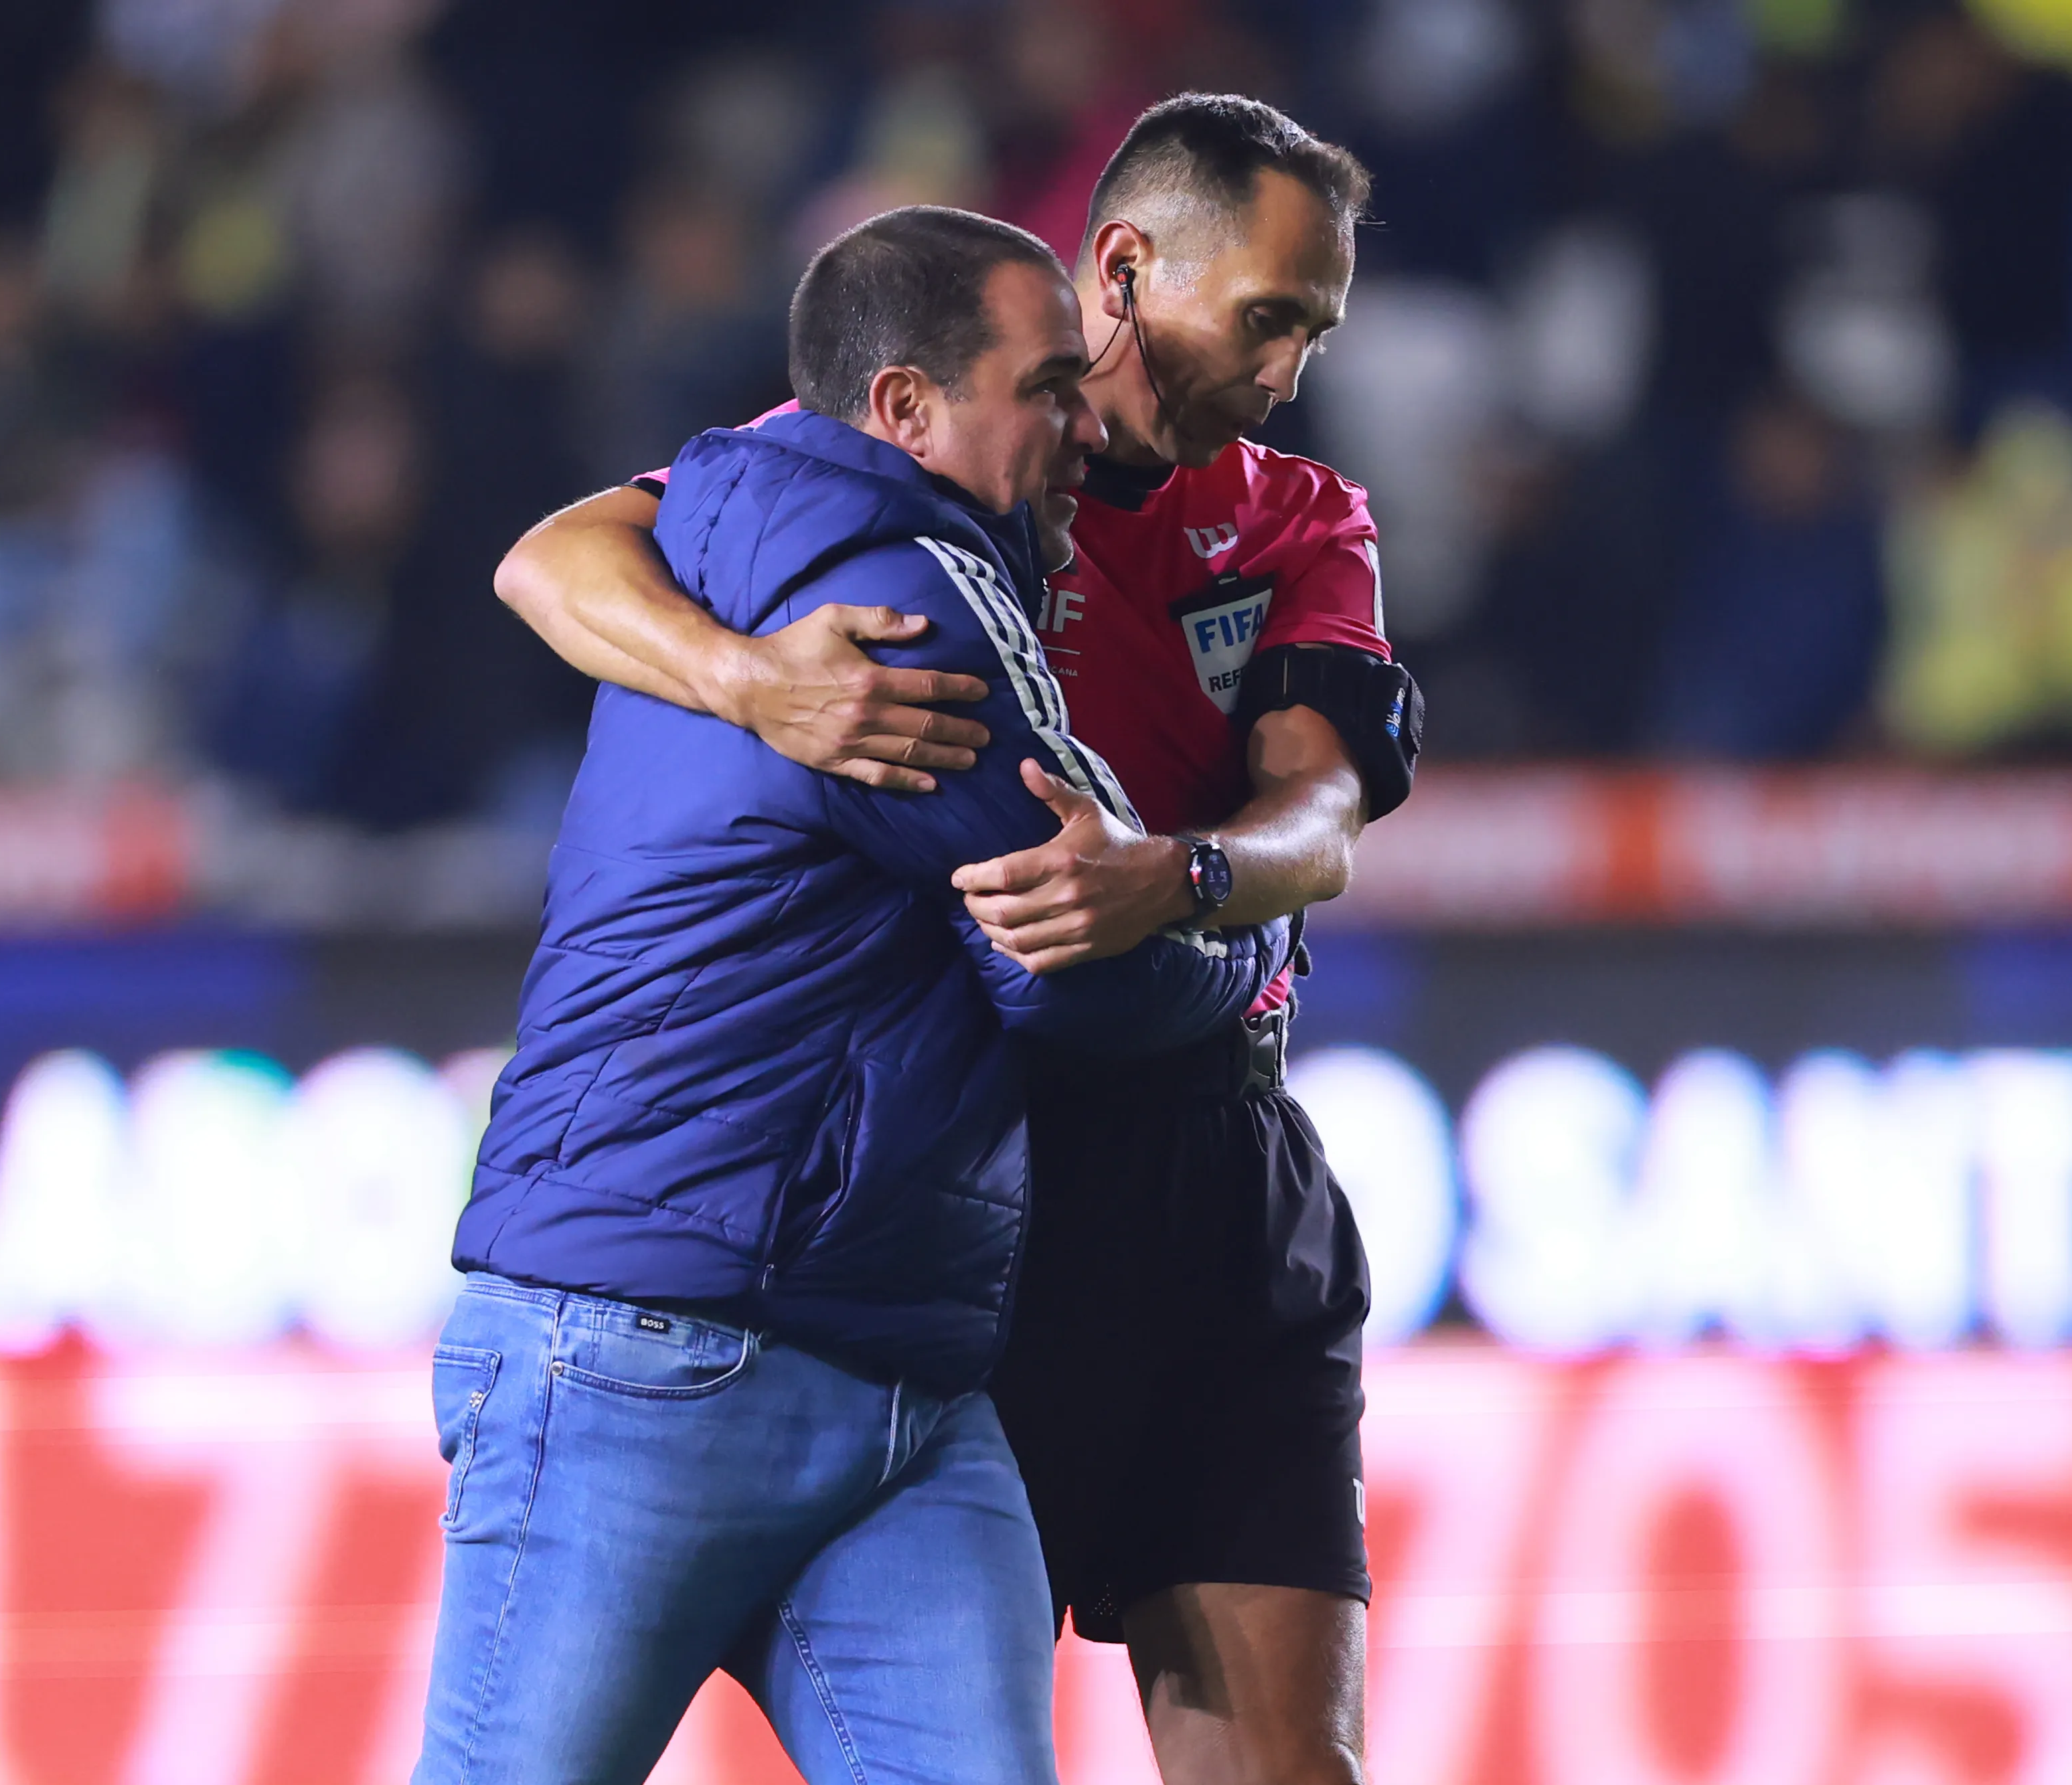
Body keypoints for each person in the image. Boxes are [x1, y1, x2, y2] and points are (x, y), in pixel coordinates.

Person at [499, 95, 1417, 1785]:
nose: (1287, 369)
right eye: (1267, 315)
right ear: (1124, 270)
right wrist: (754, 678)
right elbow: (555, 560)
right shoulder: (928, 449)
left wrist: (1178, 879)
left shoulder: (1292, 516)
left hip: (1217, 1162)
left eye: (1314, 329)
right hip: (989, 1168)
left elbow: (1321, 820)